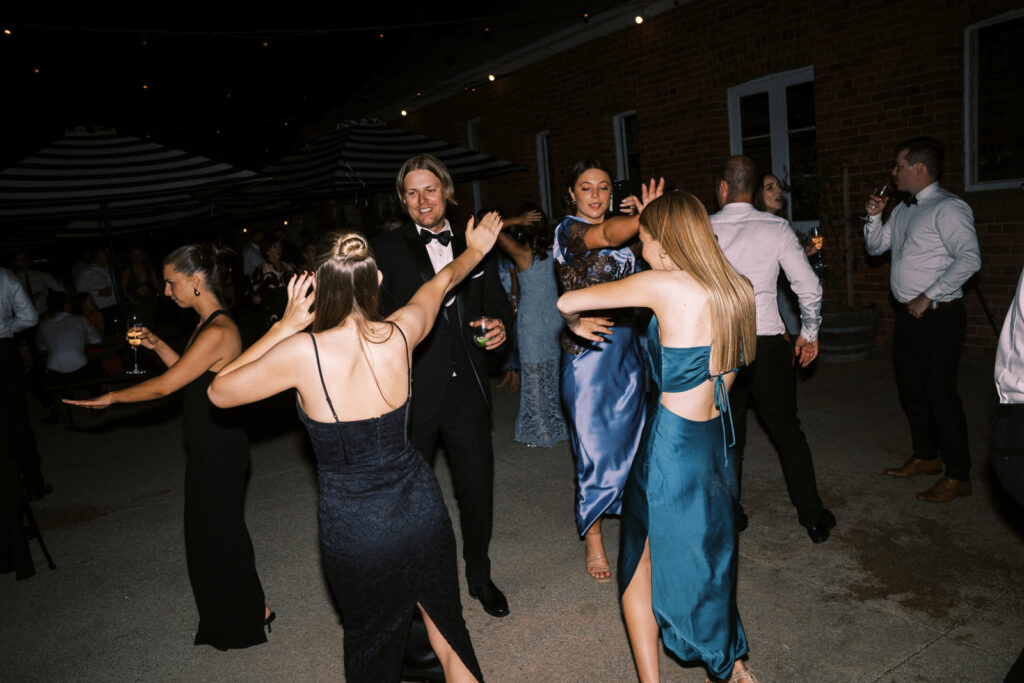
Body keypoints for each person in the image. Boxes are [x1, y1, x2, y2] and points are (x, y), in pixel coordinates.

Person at [208, 219, 503, 682]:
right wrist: (476, 249)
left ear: (318, 288)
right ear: (378, 279)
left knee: (372, 646)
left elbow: (219, 391)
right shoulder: (403, 332)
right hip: (421, 509)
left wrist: (284, 326)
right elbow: (443, 280)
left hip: (355, 529)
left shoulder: (302, 352)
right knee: (449, 635)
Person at [557, 191, 757, 682]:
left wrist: (577, 324)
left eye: (644, 240)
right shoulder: (738, 288)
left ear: (666, 244)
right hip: (716, 441)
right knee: (708, 556)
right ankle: (735, 667)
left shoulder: (664, 285)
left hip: (670, 446)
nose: (641, 250)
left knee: (638, 559)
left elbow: (566, 299)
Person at [65, 245, 271, 650]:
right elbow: (189, 373)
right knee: (215, 534)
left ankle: (251, 613)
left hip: (219, 446)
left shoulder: (217, 330)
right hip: (213, 444)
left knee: (219, 535)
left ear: (195, 281)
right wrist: (158, 344)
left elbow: (167, 385)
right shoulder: (208, 323)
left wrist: (112, 397)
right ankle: (252, 608)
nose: (165, 289)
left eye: (171, 281)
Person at [371, 154, 513, 619]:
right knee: (410, 499)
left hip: (468, 390)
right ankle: (418, 584)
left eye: (429, 189)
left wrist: (499, 327)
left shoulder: (474, 241)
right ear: (402, 200)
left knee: (476, 490)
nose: (421, 200)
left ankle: (480, 574)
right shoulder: (386, 249)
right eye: (411, 193)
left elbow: (496, 302)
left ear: (446, 190)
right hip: (413, 392)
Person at [710, 155, 836, 543]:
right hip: (766, 342)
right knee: (787, 430)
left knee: (729, 434)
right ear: (751, 190)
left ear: (723, 188)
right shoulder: (777, 227)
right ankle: (813, 518)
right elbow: (809, 287)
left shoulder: (703, 229)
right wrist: (809, 333)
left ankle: (730, 515)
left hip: (721, 344)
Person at [554, 158, 664, 581]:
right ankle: (594, 538)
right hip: (586, 356)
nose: (596, 195)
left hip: (628, 350)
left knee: (635, 445)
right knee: (592, 449)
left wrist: (649, 226)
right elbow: (606, 234)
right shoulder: (569, 230)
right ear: (571, 194)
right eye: (586, 188)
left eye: (603, 187)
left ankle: (639, 528)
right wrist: (640, 218)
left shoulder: (629, 228)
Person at [864, 136, 981, 503]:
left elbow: (969, 259)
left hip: (937, 317)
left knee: (940, 394)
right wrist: (873, 216)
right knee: (912, 391)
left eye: (898, 165)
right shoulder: (901, 208)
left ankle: (959, 474)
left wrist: (927, 295)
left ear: (919, 168)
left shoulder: (949, 208)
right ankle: (926, 456)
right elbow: (876, 247)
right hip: (907, 316)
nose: (893, 172)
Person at [496, 207, 568, 447]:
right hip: (555, 318)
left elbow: (488, 230)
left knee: (534, 375)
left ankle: (541, 431)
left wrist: (514, 218)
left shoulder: (521, 253)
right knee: (551, 372)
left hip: (533, 321)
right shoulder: (555, 251)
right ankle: (555, 424)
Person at [0, 267, 50, 502]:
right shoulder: (5, 276)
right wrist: (6, 328)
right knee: (17, 421)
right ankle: (33, 483)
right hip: (3, 352)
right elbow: (30, 317)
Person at [249, 237, 296, 329]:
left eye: (280, 247)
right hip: (273, 312)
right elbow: (256, 297)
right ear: (266, 251)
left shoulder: (289, 266)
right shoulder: (262, 269)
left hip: (290, 309)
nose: (279, 249)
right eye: (275, 247)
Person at [120, 246, 162, 324]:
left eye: (138, 255)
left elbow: (157, 285)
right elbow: (123, 290)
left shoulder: (149, 269)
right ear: (131, 257)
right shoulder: (127, 271)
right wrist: (133, 300)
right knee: (139, 325)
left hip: (149, 301)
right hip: (135, 303)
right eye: (134, 255)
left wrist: (163, 296)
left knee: (151, 323)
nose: (137, 257)